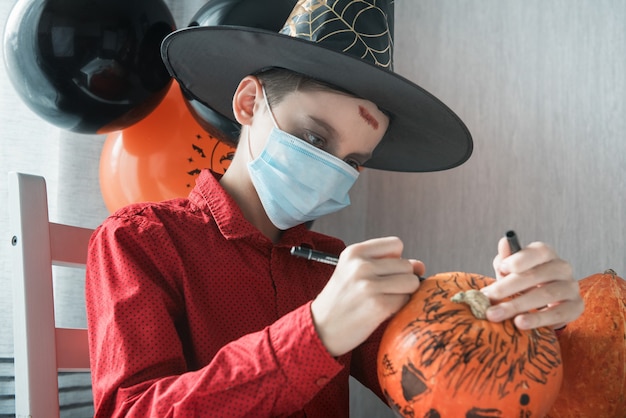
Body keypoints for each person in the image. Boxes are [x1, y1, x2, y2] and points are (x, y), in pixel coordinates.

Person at [85, 1, 584, 417]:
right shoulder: (138, 242)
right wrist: (316, 332)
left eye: (354, 161)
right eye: (313, 136)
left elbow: (436, 377)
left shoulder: (335, 268)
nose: (332, 170)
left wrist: (522, 314)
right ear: (248, 102)